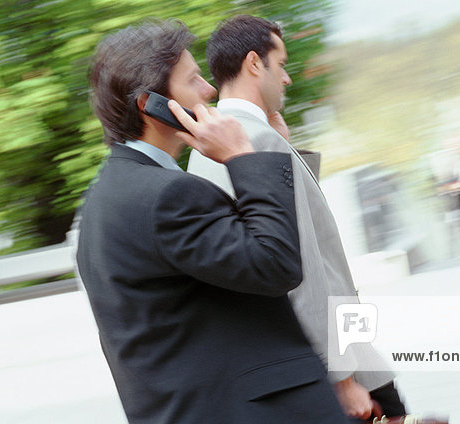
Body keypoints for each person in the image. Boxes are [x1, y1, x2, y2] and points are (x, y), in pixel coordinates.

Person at [76, 19, 351, 424]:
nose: (208, 90)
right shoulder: (168, 195)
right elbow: (276, 265)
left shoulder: (109, 197)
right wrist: (243, 158)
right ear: (150, 104)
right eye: (193, 80)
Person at [187, 15, 406, 421]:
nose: (286, 78)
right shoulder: (255, 140)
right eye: (281, 63)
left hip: (311, 345)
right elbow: (302, 261)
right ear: (255, 64)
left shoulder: (216, 144)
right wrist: (341, 378)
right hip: (332, 348)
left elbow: (288, 222)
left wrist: (286, 149)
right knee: (397, 415)